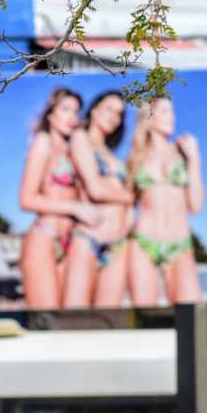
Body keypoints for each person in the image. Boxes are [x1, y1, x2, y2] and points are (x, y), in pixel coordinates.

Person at [16, 88, 102, 310]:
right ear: (50, 114)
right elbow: (26, 199)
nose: (71, 117)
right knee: (47, 321)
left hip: (70, 242)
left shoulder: (73, 150)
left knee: (69, 320)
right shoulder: (43, 142)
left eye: (76, 112)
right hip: (44, 238)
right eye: (65, 109)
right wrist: (75, 208)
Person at [127, 97, 205, 307]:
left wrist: (195, 158)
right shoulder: (136, 158)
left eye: (172, 111)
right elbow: (127, 205)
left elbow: (196, 206)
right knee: (145, 319)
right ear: (149, 118)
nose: (172, 117)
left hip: (179, 245)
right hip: (143, 243)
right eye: (164, 112)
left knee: (192, 315)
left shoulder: (183, 154)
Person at [63, 90, 135, 309]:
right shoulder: (80, 138)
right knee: (74, 318)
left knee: (108, 321)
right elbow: (95, 189)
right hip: (89, 239)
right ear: (94, 110)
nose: (114, 116)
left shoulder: (112, 155)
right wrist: (128, 197)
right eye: (109, 109)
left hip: (119, 245)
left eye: (119, 114)